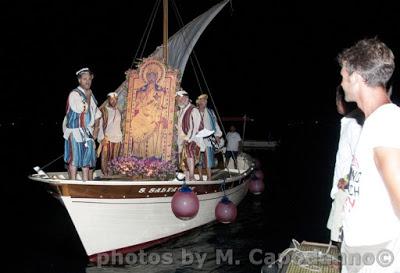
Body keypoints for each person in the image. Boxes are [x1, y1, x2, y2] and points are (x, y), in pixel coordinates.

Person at [338, 38, 400, 273]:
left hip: (376, 258)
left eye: (343, 75)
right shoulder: (373, 123)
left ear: (357, 77)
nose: (342, 83)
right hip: (360, 251)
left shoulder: (386, 123)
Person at [327, 86, 363, 244]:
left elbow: (362, 157)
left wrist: (348, 179)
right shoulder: (351, 121)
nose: (335, 104)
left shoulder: (353, 123)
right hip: (345, 188)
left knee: (343, 232)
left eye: (336, 100)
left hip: (348, 190)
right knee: (339, 231)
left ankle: (345, 264)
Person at [63, 68, 102, 181]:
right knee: (74, 159)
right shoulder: (74, 94)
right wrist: (88, 97)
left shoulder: (90, 94)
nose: (87, 81)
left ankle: (86, 184)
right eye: (85, 79)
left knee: (87, 161)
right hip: (75, 131)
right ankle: (73, 182)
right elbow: (83, 109)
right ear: (79, 80)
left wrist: (96, 130)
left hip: (87, 132)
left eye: (89, 79)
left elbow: (97, 113)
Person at [176, 89, 202, 180]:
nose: (179, 101)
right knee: (182, 159)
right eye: (178, 99)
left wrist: (188, 138)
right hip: (182, 138)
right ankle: (187, 178)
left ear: (186, 98)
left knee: (189, 152)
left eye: (181, 99)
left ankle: (191, 175)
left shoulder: (193, 109)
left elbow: (195, 126)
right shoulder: (180, 111)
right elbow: (179, 126)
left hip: (191, 138)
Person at [196, 94, 223, 181]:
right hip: (197, 139)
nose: (205, 102)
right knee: (199, 159)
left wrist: (218, 135)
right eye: (203, 100)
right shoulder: (194, 111)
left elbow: (215, 124)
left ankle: (209, 178)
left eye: (206, 100)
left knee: (208, 159)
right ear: (199, 102)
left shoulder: (211, 112)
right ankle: (200, 177)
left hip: (208, 139)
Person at [97, 92, 123, 176]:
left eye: (115, 99)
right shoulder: (103, 110)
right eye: (111, 99)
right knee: (105, 159)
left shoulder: (119, 111)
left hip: (117, 139)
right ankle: (106, 176)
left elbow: (120, 125)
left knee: (115, 160)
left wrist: (121, 138)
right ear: (108, 100)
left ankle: (113, 177)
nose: (113, 101)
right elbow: (99, 126)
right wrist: (101, 138)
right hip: (107, 139)